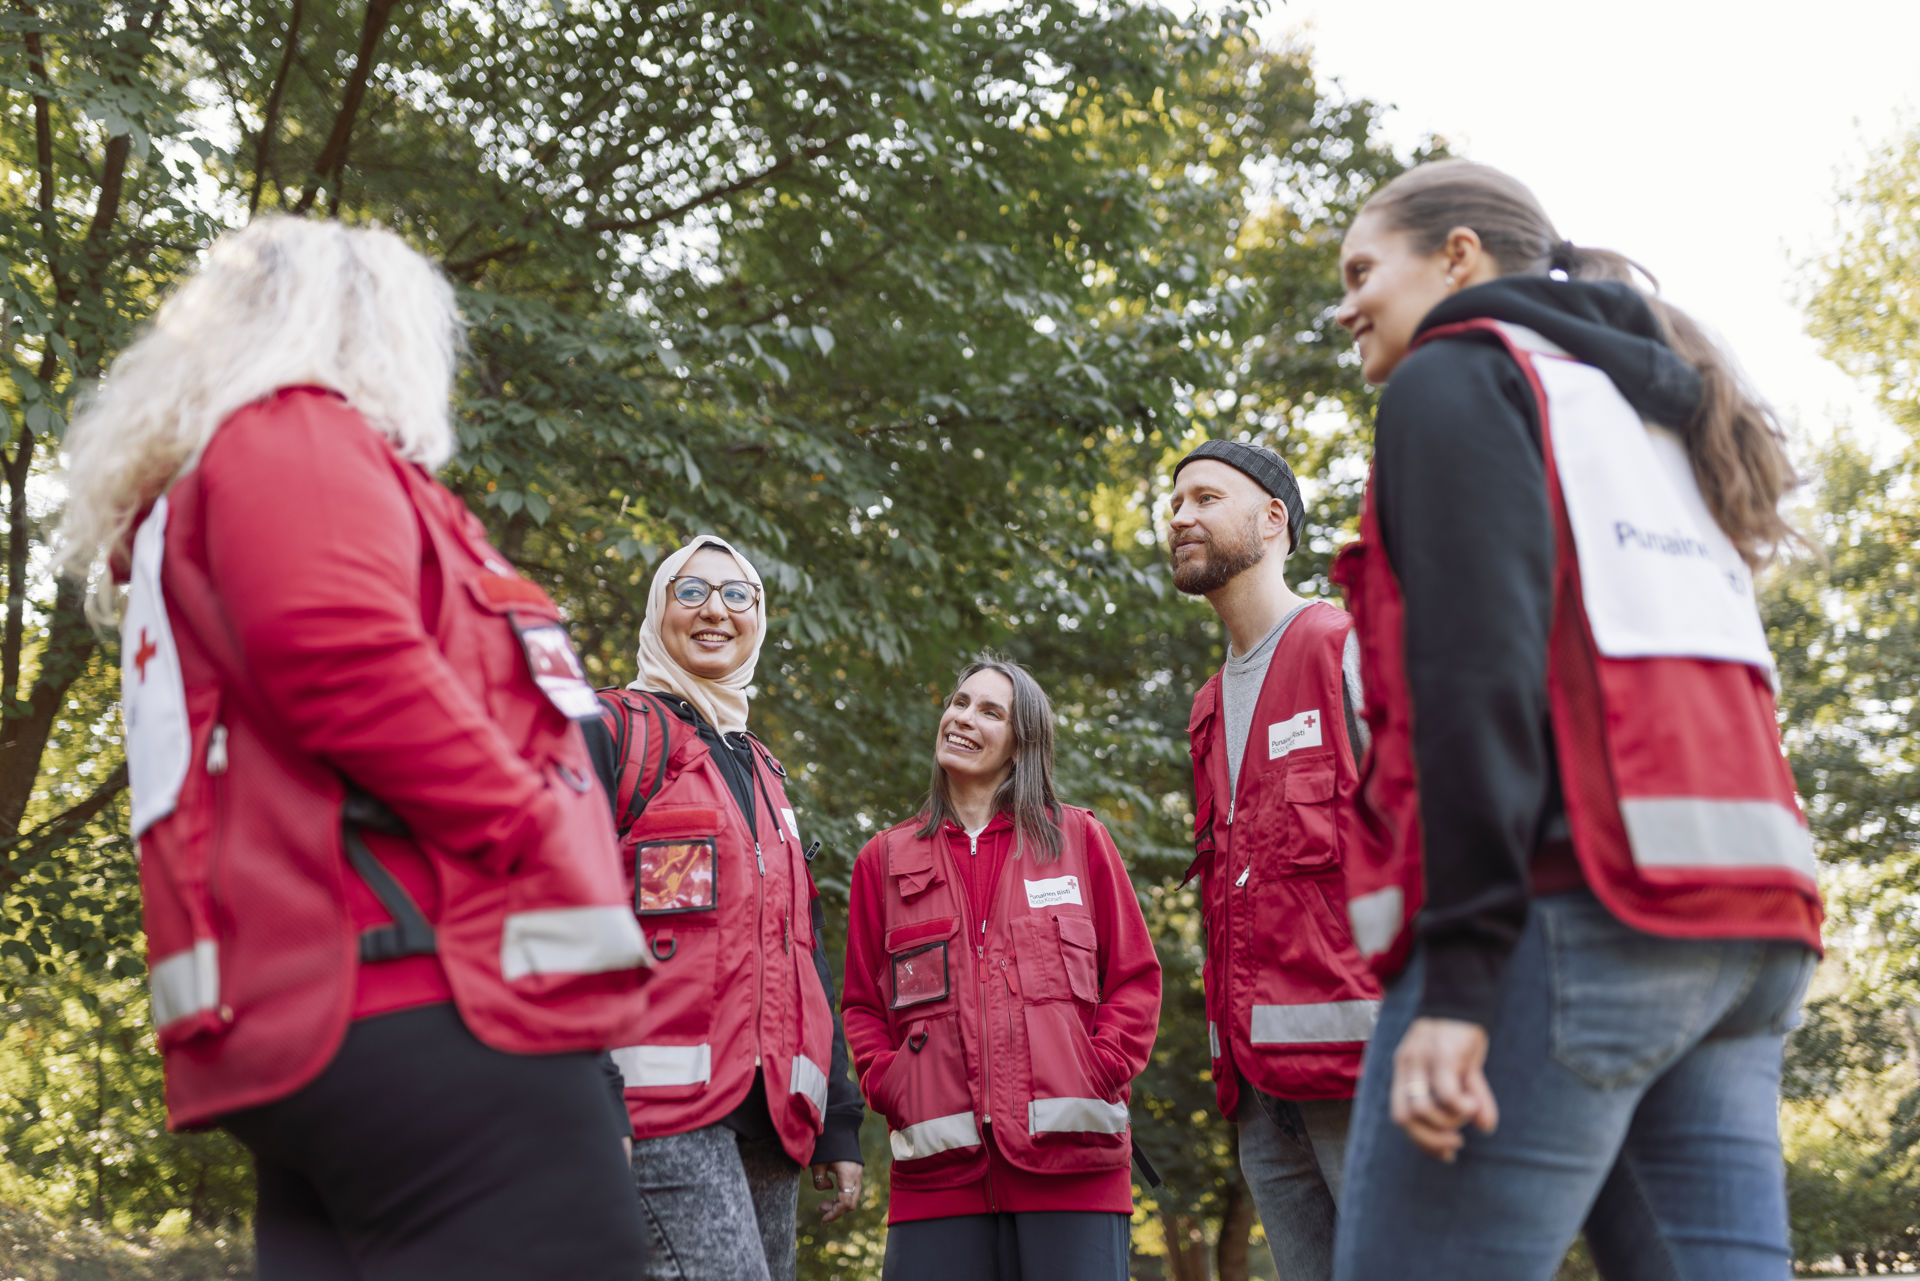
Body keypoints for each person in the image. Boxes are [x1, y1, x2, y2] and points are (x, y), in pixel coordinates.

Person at [54, 216, 652, 1278]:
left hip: (338, 1012)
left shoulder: (210, 482)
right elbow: (343, 659)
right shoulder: (298, 436)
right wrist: (529, 828)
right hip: (429, 990)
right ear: (372, 328)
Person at [1325, 159, 1824, 1279]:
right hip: (1749, 932)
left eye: (1363, 271)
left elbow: (1476, 675)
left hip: (1571, 922)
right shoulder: (1645, 406)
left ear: (1457, 257)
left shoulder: (1454, 380)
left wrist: (1458, 983)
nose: (1345, 306)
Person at [580, 534, 865, 1281]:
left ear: (759, 618)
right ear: (659, 609)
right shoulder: (611, 731)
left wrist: (838, 1121)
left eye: (737, 595)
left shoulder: (763, 769)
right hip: (655, 1118)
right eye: (693, 591)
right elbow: (553, 912)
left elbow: (806, 951)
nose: (716, 610)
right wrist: (590, 1098)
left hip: (772, 1123)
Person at [841, 657, 1162, 1281]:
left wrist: (1099, 1067)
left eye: (991, 712)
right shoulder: (883, 860)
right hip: (935, 1181)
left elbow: (1134, 979)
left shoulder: (1078, 839)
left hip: (1076, 1172)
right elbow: (860, 1004)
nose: (964, 718)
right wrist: (891, 1082)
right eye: (959, 703)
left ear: (1022, 745)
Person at [1167, 440, 1382, 1279]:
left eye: (1206, 497)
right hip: (1260, 1093)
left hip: (1370, 1077)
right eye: (1175, 502)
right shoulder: (1208, 708)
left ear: (1272, 521)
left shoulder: (1344, 648)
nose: (1181, 516)